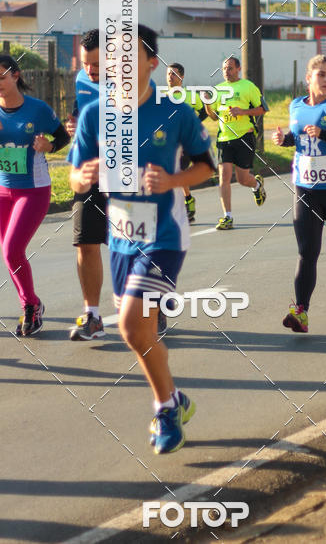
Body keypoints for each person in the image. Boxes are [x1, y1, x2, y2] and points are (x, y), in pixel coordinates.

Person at [70, 25, 215, 454]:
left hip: (165, 235)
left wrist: (172, 178)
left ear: (152, 63)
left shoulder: (176, 111)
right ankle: (175, 399)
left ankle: (164, 411)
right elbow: (74, 176)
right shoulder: (96, 113)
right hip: (121, 237)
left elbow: (206, 165)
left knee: (133, 324)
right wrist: (85, 177)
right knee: (141, 333)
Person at [272, 55, 326, 334]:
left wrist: (324, 134)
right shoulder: (296, 106)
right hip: (305, 188)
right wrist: (284, 141)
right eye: (322, 75)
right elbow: (299, 137)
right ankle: (300, 311)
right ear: (308, 78)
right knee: (307, 251)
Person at [0, 54, 70, 336]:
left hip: (33, 190)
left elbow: (63, 137)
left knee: (12, 249)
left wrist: (48, 146)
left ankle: (30, 307)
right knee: (9, 254)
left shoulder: (38, 109)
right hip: (3, 189)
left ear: (15, 75)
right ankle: (32, 303)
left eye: (1, 77)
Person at [65, 29, 108, 341]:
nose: (91, 70)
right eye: (85, 63)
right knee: (86, 243)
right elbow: (84, 113)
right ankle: (92, 315)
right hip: (87, 169)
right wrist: (75, 124)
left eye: (97, 64)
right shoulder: (82, 80)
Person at [205, 57, 267, 230]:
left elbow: (263, 109)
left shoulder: (248, 86)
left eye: (230, 68)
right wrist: (208, 105)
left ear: (238, 68)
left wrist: (243, 111)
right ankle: (227, 217)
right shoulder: (218, 89)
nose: (226, 71)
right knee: (223, 177)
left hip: (244, 137)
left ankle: (256, 185)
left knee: (241, 179)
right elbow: (212, 116)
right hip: (224, 139)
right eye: (224, 68)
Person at [165, 62, 202, 223]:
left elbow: (203, 111)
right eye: (168, 74)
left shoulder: (189, 96)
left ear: (182, 76)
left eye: (173, 73)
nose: (170, 77)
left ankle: (182, 205)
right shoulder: (162, 96)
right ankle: (187, 200)